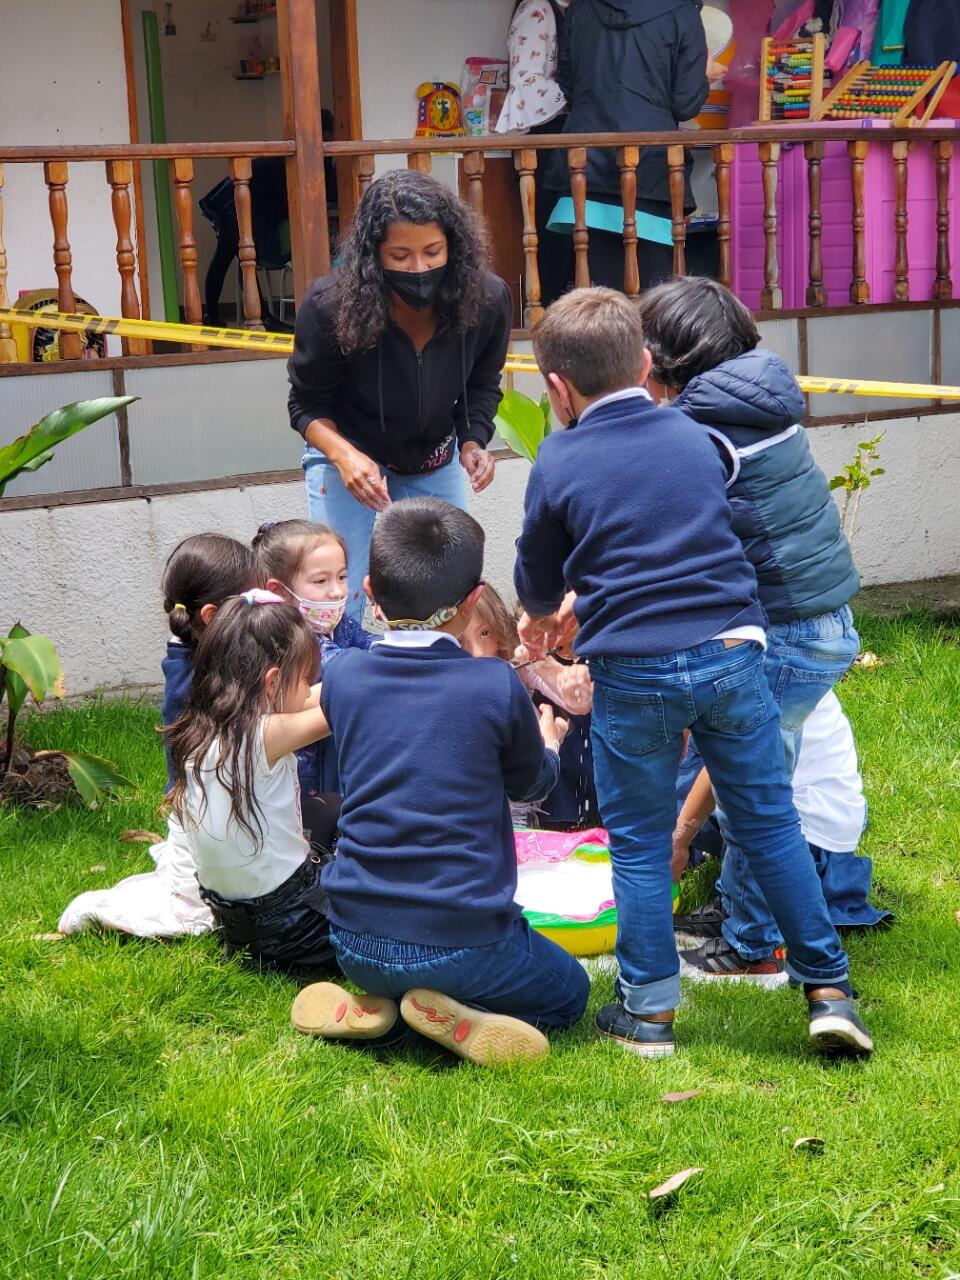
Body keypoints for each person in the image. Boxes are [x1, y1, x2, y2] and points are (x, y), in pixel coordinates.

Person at [513, 286, 872, 1058]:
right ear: (645, 365)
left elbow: (540, 580)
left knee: (639, 845)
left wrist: (545, 611)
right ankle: (830, 991)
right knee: (771, 824)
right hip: (734, 653)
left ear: (555, 388)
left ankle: (647, 1016)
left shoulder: (558, 459)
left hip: (633, 671)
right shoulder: (695, 438)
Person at [290, 499, 590, 1065]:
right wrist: (549, 744)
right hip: (464, 941)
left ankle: (381, 1014)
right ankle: (433, 1018)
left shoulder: (344, 676)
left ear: (370, 592)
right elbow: (531, 787)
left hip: (352, 937)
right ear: (476, 598)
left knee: (402, 967)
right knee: (570, 994)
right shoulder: (494, 685)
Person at [638, 277, 861, 980]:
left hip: (792, 635)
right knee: (752, 789)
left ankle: (753, 944)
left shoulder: (703, 426)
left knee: (752, 793)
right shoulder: (756, 396)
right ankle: (748, 923)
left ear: (661, 358)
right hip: (820, 624)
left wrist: (677, 835)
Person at [288, 170, 513, 623]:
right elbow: (307, 405)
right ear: (373, 256)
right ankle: (343, 686)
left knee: (448, 594)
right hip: (347, 461)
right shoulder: (329, 306)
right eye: (400, 255)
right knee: (340, 598)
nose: (418, 268)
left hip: (434, 459)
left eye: (432, 252)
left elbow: (484, 385)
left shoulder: (487, 299)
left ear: (454, 246)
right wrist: (345, 457)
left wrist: (473, 440)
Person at [59, 534, 261, 939]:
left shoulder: (208, 653)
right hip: (200, 815)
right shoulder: (192, 680)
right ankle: (93, 912)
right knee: (195, 912)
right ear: (210, 616)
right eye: (251, 603)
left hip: (221, 809)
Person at [166, 589, 340, 974]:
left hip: (234, 924)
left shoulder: (199, 728)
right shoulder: (265, 735)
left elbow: (310, 700)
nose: (309, 686)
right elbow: (343, 701)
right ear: (273, 683)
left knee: (328, 805)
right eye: (305, 678)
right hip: (293, 922)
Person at [673, 690, 893, 940]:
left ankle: (742, 913)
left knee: (670, 793)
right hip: (832, 831)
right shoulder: (782, 663)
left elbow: (723, 766)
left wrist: (679, 841)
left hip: (797, 843)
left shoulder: (751, 679)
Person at [541, 0, 721, 293]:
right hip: (651, 166)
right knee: (655, 300)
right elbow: (685, 102)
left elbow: (569, 84)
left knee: (600, 300)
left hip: (587, 165)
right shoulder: (681, 11)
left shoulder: (581, 8)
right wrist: (704, 74)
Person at [254, 517, 374, 837]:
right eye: (321, 581)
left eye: (343, 576)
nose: (336, 590)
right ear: (279, 591)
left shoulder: (338, 623)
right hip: (304, 778)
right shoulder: (287, 634)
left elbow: (367, 643)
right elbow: (341, 668)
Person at [460, 583, 598, 829]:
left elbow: (572, 700)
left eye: (484, 634)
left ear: (500, 629)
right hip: (483, 808)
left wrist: (572, 687)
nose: (477, 653)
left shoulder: (516, 669)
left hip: (526, 808)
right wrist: (551, 741)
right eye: (462, 642)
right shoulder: (454, 686)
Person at [496, 0, 573, 306]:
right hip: (543, 139)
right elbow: (526, 83)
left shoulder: (568, 11)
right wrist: (575, 95)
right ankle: (547, 319)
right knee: (551, 236)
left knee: (564, 236)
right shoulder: (538, 9)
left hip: (560, 137)